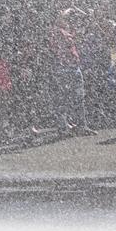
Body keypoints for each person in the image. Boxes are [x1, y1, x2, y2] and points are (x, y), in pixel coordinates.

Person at [50, 7, 96, 137]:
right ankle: (63, 127)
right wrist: (70, 9)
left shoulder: (66, 30)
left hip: (73, 67)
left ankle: (80, 125)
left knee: (79, 97)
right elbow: (68, 40)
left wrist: (80, 14)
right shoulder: (56, 31)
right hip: (64, 68)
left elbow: (78, 35)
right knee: (64, 98)